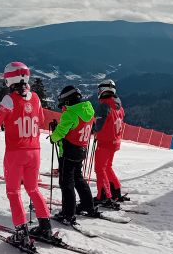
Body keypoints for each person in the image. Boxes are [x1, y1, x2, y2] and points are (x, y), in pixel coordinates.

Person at [0, 61, 52, 244]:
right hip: (34, 150)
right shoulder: (36, 97)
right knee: (33, 188)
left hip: (16, 153)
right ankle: (46, 226)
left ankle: (22, 233)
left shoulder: (9, 99)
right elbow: (40, 120)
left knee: (14, 192)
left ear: (9, 79)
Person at [49, 85, 98, 223]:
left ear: (68, 101)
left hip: (68, 152)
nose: (63, 107)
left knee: (66, 183)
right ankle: (88, 205)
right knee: (78, 179)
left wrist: (53, 136)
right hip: (81, 151)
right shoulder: (88, 111)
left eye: (64, 103)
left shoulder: (70, 114)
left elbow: (60, 134)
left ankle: (68, 214)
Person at [91, 79, 125, 209]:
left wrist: (93, 130)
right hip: (115, 141)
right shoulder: (118, 106)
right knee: (107, 167)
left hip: (105, 142)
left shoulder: (104, 105)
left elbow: (99, 124)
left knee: (100, 169)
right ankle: (116, 191)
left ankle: (104, 196)